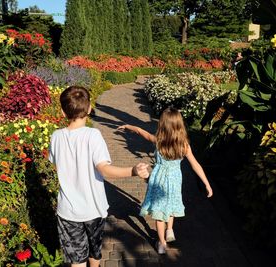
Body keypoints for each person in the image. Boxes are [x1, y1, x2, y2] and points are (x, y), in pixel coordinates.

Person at [48, 86, 149, 267]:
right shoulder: (93, 135)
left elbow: (57, 164)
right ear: (88, 109)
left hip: (68, 211)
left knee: (76, 261)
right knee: (95, 251)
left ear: (63, 111)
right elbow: (104, 169)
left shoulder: (56, 137)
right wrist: (132, 171)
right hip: (93, 209)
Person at [117, 107, 213, 255]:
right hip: (175, 180)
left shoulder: (158, 141)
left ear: (162, 125)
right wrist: (206, 183)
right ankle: (170, 230)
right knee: (172, 202)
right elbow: (195, 164)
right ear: (180, 125)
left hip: (159, 181)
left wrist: (128, 126)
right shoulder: (184, 145)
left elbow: (142, 132)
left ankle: (162, 243)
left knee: (159, 211)